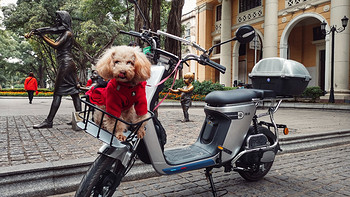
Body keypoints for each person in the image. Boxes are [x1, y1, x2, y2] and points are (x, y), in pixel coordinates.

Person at [25, 11, 81, 129]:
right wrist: (39, 31)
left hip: (65, 64)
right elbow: (53, 30)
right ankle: (79, 119)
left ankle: (49, 121)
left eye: (58, 19)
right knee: (75, 93)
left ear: (63, 20)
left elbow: (56, 45)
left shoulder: (67, 33)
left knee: (57, 93)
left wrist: (43, 36)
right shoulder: (65, 32)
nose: (56, 22)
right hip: (68, 63)